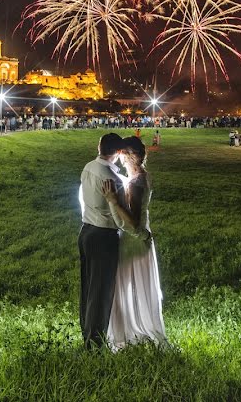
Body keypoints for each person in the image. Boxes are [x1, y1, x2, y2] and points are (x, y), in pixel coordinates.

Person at [103, 136, 168, 350]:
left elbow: (133, 221)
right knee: (131, 283)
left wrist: (113, 201)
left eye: (122, 155)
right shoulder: (142, 177)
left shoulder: (137, 181)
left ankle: (129, 332)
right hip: (140, 237)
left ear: (129, 156)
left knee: (124, 284)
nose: (119, 160)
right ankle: (132, 328)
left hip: (134, 240)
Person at [78, 132, 125, 349]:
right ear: (117, 152)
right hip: (104, 235)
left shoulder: (88, 167)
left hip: (86, 230)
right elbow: (119, 216)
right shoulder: (113, 179)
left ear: (99, 146)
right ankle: (94, 343)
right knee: (101, 291)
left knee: (88, 287)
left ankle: (87, 332)